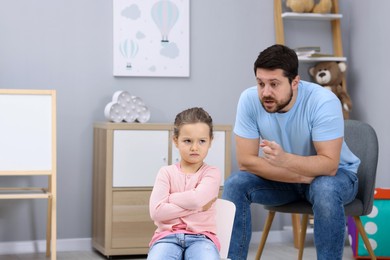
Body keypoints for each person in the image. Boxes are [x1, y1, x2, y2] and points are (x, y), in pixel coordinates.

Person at [222, 44, 360, 260]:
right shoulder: (249, 100)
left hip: (336, 177)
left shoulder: (323, 101)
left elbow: (329, 165)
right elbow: (246, 162)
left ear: (295, 82)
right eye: (260, 83)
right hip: (287, 180)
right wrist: (297, 174)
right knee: (235, 184)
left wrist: (285, 160)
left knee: (324, 188)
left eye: (274, 84)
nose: (265, 92)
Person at [147, 107, 222, 260]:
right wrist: (199, 207)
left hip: (202, 238)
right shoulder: (165, 173)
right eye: (187, 141)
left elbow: (195, 200)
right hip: (166, 238)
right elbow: (156, 213)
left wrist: (171, 198)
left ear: (210, 142)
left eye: (202, 141)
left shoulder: (212, 173)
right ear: (176, 141)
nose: (194, 147)